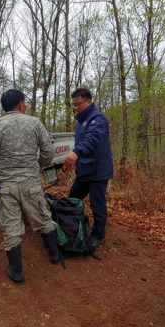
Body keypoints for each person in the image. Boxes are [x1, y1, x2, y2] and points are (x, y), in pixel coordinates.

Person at [0, 89, 59, 283]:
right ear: (19, 104)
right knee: (43, 217)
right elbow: (49, 151)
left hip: (7, 186)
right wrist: (40, 164)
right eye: (25, 102)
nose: (26, 105)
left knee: (10, 226)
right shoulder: (34, 123)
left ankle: (17, 271)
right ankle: (54, 255)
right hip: (30, 183)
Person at [63, 88, 113, 249]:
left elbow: (93, 139)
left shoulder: (98, 119)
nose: (76, 107)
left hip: (98, 171)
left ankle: (98, 235)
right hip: (84, 170)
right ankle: (73, 225)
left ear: (89, 101)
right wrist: (74, 160)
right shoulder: (81, 122)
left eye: (79, 103)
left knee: (97, 203)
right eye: (74, 105)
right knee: (74, 197)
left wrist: (76, 152)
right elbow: (81, 144)